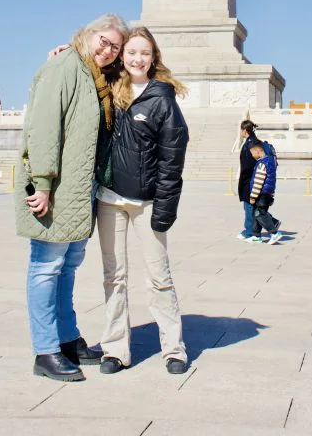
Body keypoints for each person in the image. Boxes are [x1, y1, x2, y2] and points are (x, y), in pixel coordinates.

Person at [15, 13, 129, 382]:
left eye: (115, 46)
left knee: (67, 267)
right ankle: (45, 350)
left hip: (80, 190)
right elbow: (43, 128)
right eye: (103, 41)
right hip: (56, 189)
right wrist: (43, 183)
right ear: (88, 34)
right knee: (47, 267)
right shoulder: (63, 68)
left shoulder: (93, 75)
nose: (108, 50)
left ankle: (66, 338)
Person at [96, 26, 189, 375]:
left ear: (154, 58)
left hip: (148, 202)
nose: (137, 59)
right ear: (123, 56)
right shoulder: (109, 90)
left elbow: (172, 160)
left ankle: (174, 349)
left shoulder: (162, 99)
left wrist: (165, 208)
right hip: (109, 199)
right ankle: (115, 349)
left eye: (145, 53)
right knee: (113, 276)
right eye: (132, 52)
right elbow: (83, 67)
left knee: (159, 276)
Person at [248, 140, 282, 244]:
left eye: (252, 153)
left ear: (258, 151)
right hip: (268, 193)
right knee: (257, 213)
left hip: (262, 194)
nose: (252, 155)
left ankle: (274, 232)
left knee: (259, 213)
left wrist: (253, 196)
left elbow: (258, 182)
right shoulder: (270, 161)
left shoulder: (262, 164)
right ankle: (256, 235)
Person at [236, 120, 259, 240]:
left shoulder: (253, 143)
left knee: (249, 206)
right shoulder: (250, 142)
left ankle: (250, 232)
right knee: (251, 206)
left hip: (250, 179)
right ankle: (251, 230)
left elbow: (254, 163)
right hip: (249, 179)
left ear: (245, 130)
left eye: (241, 129)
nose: (240, 132)